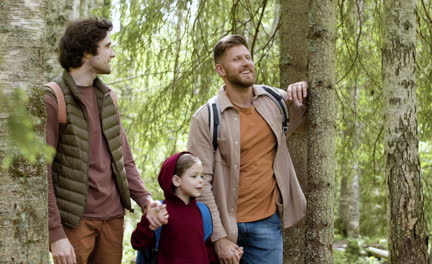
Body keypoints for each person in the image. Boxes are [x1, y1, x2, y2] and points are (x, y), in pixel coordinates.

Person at [44, 18, 166, 264]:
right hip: (75, 222)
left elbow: (124, 161)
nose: (113, 53)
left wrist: (145, 201)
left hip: (113, 219)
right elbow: (42, 172)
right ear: (88, 51)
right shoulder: (53, 97)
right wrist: (56, 234)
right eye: (108, 46)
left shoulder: (109, 97)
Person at [187, 35, 308, 264]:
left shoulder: (275, 100)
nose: (245, 63)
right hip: (224, 224)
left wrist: (304, 90)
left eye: (247, 57)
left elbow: (310, 120)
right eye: (236, 60)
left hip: (267, 224)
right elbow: (200, 181)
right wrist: (219, 237)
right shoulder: (206, 117)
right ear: (221, 70)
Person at [131, 152, 218, 264]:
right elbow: (137, 243)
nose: (201, 180)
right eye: (194, 176)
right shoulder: (159, 210)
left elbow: (207, 251)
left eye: (202, 176)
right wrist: (148, 224)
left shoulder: (203, 211)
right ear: (176, 180)